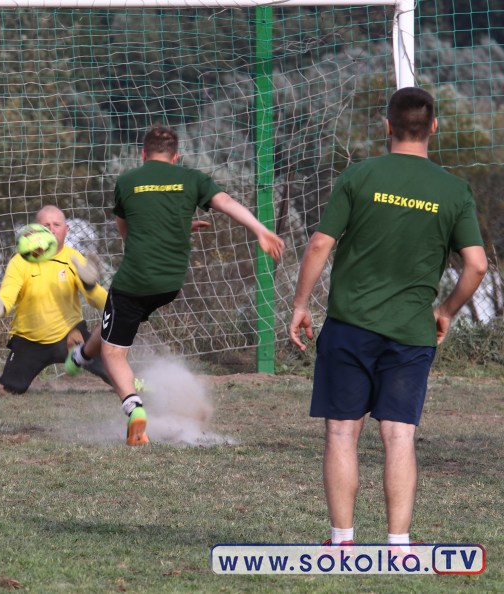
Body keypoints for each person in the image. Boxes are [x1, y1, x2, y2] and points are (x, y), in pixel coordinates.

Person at [289, 87, 487, 548]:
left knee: (342, 432)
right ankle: (399, 545)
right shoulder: (453, 190)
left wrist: (300, 304)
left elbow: (319, 244)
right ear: (433, 127)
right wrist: (446, 311)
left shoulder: (359, 176)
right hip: (411, 333)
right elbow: (476, 265)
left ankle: (342, 542)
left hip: (349, 327)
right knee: (399, 437)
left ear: (387, 126)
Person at [66, 126, 284, 446]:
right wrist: (260, 230)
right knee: (112, 319)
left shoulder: (126, 181)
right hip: (169, 284)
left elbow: (127, 230)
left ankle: (134, 409)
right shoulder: (191, 178)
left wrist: (156, 234)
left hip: (135, 280)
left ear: (143, 154)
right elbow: (225, 201)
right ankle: (82, 356)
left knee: (114, 353)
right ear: (176, 156)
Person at [0, 205, 114, 394]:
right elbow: (7, 296)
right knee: (7, 390)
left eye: (57, 225)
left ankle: (135, 386)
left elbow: (98, 300)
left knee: (117, 373)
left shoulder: (73, 259)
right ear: (35, 230)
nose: (52, 229)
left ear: (66, 230)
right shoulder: (20, 261)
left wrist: (92, 286)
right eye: (46, 225)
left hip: (71, 336)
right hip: (30, 340)